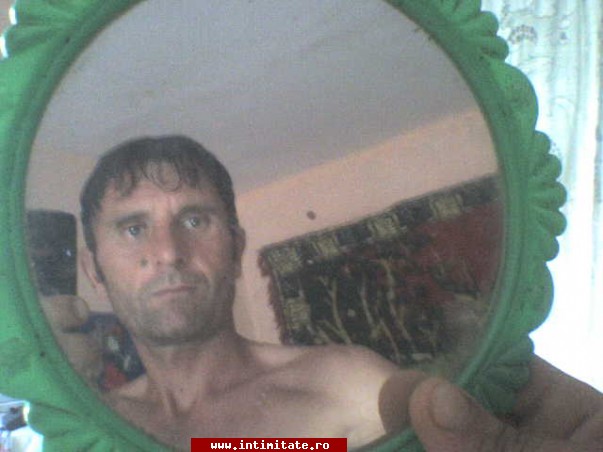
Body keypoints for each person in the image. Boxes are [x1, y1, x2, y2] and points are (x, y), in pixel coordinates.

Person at [45, 135, 603, 451]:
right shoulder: (79, 426)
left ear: (235, 247)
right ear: (93, 269)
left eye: (194, 221)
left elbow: (422, 411)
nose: (168, 252)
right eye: (133, 228)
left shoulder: (342, 381)